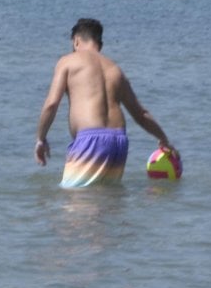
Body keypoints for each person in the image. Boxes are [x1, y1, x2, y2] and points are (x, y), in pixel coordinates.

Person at [34, 18, 176, 187]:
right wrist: (164, 140)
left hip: (90, 141)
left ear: (76, 41)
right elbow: (141, 115)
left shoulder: (68, 61)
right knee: (107, 204)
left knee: (74, 204)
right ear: (100, 44)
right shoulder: (115, 69)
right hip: (119, 142)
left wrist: (41, 139)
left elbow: (51, 104)